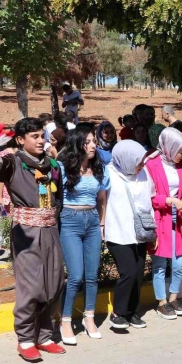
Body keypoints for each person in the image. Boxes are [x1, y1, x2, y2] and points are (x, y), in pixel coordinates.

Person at [0, 117, 66, 361]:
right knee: (31, 287)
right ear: (20, 140)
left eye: (41, 135)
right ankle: (26, 339)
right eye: (34, 136)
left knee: (54, 283)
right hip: (26, 233)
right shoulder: (13, 162)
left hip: (51, 231)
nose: (40, 140)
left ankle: (45, 336)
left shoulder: (51, 164)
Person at [58, 125, 110, 345]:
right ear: (77, 143)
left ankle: (89, 318)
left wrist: (102, 224)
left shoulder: (99, 168)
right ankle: (66, 320)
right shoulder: (62, 168)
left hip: (92, 221)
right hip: (69, 221)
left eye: (94, 141)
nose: (92, 145)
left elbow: (101, 199)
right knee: (76, 275)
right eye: (88, 141)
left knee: (92, 275)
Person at [146, 128, 182, 319]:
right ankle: (162, 302)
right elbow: (148, 196)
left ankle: (174, 297)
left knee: (178, 263)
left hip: (177, 221)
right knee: (159, 264)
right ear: (169, 147)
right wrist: (171, 201)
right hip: (160, 220)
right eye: (181, 151)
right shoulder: (151, 165)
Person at [105, 141, 154, 331]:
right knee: (128, 272)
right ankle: (117, 313)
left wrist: (152, 229)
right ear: (126, 160)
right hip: (117, 231)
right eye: (138, 161)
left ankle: (132, 311)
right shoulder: (109, 174)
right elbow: (101, 201)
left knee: (138, 273)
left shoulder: (143, 174)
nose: (141, 164)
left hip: (139, 231)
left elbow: (148, 201)